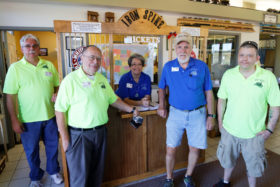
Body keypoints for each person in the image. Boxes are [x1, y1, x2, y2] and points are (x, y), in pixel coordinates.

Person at [55, 45, 139, 187]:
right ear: (82, 59)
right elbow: (59, 110)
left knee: (97, 174)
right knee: (80, 178)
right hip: (79, 136)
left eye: (99, 59)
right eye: (92, 57)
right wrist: (64, 138)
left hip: (100, 133)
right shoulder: (70, 80)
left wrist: (131, 109)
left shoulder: (101, 79)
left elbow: (114, 100)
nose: (95, 61)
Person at [214, 41, 280, 187]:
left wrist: (270, 129)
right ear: (238, 56)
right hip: (230, 130)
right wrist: (220, 123)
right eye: (242, 55)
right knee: (227, 160)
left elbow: (275, 107)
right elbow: (221, 101)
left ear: (257, 58)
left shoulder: (268, 77)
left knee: (254, 166)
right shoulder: (229, 75)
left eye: (250, 56)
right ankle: (225, 181)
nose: (245, 59)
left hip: (254, 133)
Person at [3, 34, 63, 187]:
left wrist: (57, 93)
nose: (31, 49)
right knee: (31, 151)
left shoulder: (48, 65)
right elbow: (10, 97)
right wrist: (14, 120)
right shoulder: (15, 68)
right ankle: (36, 178)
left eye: (34, 46)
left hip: (50, 116)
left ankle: (53, 172)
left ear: (38, 48)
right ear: (22, 48)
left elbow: (57, 85)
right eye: (27, 46)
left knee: (52, 146)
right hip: (28, 119)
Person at [157, 33, 215, 187]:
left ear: (191, 48)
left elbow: (209, 92)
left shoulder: (202, 66)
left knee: (194, 149)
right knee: (170, 149)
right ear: (175, 49)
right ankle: (169, 178)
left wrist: (211, 115)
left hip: (198, 114)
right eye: (179, 47)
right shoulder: (168, 67)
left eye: (186, 46)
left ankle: (188, 176)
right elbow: (161, 88)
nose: (183, 50)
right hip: (175, 114)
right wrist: (161, 105)